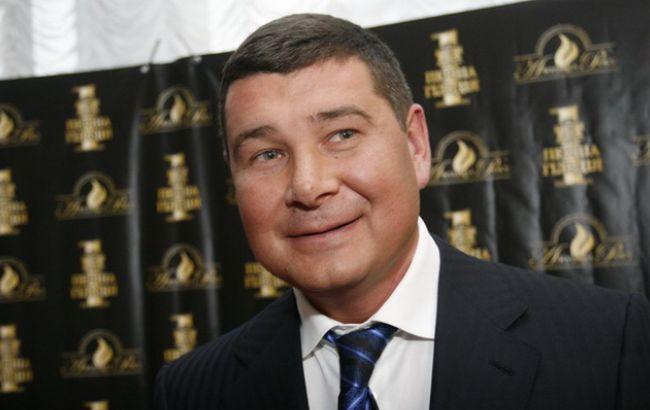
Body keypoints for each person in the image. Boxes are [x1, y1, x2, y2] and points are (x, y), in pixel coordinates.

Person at [154, 13, 650, 410]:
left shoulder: (610, 342)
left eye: (341, 135)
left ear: (416, 145)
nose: (308, 186)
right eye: (266, 154)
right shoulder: (192, 391)